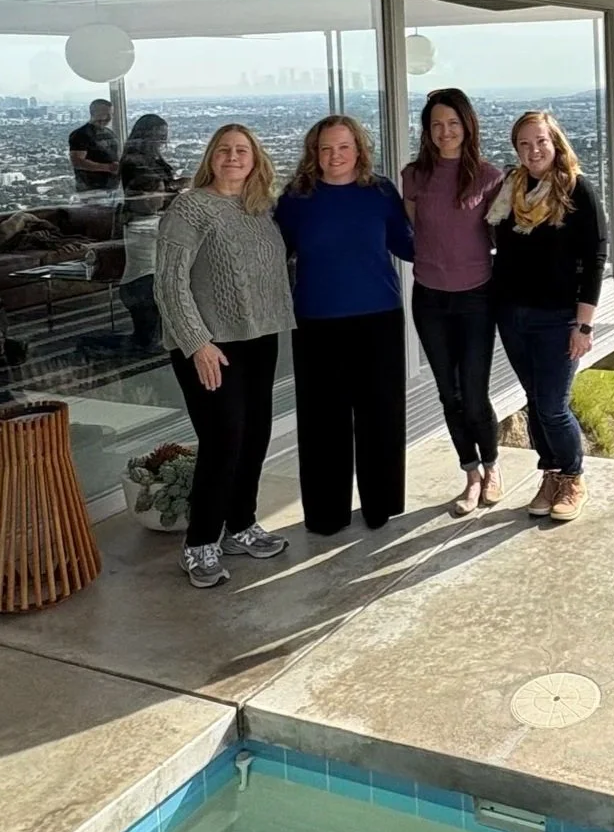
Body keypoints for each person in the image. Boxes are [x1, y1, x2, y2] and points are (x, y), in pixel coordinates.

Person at [154, 123, 295, 589]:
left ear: (255, 160)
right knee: (223, 440)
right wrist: (197, 342)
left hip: (259, 339)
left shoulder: (260, 208)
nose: (233, 157)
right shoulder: (190, 207)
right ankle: (199, 543)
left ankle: (240, 525)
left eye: (242, 151)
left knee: (255, 436)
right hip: (210, 345)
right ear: (210, 158)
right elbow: (168, 282)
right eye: (224, 150)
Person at [274, 114, 415, 536]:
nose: (335, 156)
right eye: (326, 148)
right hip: (316, 321)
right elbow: (271, 255)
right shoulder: (296, 199)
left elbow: (408, 245)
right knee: (322, 422)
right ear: (314, 153)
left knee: (381, 415)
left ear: (359, 150)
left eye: (343, 147)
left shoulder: (380, 192)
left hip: (378, 318)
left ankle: (381, 504)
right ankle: (326, 513)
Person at [490, 111, 606, 523]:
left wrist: (584, 324)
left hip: (558, 317)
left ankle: (573, 477)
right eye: (524, 143)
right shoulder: (510, 189)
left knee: (554, 406)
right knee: (535, 400)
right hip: (513, 314)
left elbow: (595, 259)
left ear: (555, 142)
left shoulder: (576, 189)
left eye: (540, 141)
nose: (533, 150)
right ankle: (551, 474)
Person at [401, 89, 507, 516]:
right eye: (436, 125)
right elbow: (418, 233)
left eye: (453, 123)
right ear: (427, 130)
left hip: (477, 297)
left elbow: (502, 236)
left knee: (475, 394)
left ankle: (493, 467)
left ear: (467, 126)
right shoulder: (414, 177)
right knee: (450, 394)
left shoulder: (489, 177)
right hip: (429, 298)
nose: (445, 132)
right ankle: (471, 475)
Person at [116, 113, 176, 352]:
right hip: (146, 219)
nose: (163, 140)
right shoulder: (136, 162)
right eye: (159, 135)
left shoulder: (148, 157)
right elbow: (145, 190)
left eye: (164, 135)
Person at [68, 99, 119, 192]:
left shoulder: (109, 133)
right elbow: (77, 162)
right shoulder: (81, 134)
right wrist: (109, 167)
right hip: (91, 189)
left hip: (112, 187)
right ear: (94, 113)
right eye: (105, 114)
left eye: (111, 114)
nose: (109, 118)